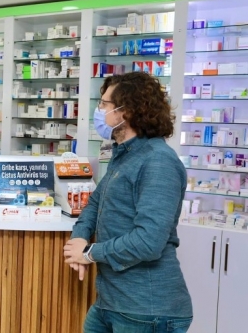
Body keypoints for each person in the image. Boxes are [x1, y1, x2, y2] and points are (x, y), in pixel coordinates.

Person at [63, 72, 192, 333]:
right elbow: (95, 204)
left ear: (127, 111)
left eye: (104, 104)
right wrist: (79, 237)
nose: (98, 111)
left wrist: (88, 253)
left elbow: (148, 241)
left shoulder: (158, 161)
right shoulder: (124, 154)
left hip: (147, 310)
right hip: (111, 301)